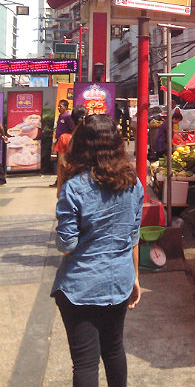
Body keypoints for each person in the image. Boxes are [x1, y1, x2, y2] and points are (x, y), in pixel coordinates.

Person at [51, 113, 144, 387]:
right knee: (114, 349)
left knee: (85, 363)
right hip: (120, 280)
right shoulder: (134, 183)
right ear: (117, 144)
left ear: (80, 145)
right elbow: (133, 236)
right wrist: (135, 277)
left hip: (80, 286)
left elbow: (66, 245)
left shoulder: (73, 188)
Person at [56, 105, 87, 196]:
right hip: (89, 181)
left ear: (72, 120)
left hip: (70, 180)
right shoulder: (91, 137)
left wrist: (59, 188)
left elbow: (61, 164)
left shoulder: (64, 138)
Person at [51, 100, 75, 186]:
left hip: (65, 142)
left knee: (64, 161)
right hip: (59, 141)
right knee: (59, 162)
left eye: (60, 106)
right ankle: (59, 180)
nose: (59, 108)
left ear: (66, 107)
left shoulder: (68, 117)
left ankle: (64, 180)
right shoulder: (60, 116)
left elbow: (72, 129)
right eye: (58, 106)